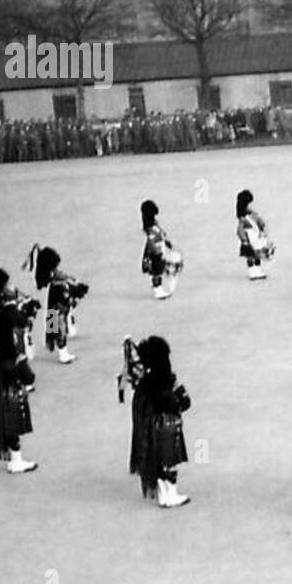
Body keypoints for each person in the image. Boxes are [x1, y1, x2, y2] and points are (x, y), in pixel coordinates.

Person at [0, 278, 39, 474]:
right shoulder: (9, 314)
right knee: (12, 410)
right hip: (10, 360)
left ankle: (59, 345)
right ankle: (60, 348)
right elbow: (23, 323)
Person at [129, 336, 192, 507]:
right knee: (168, 461)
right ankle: (59, 345)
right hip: (166, 424)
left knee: (57, 314)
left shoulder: (147, 383)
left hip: (155, 424)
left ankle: (60, 344)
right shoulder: (162, 382)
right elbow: (183, 403)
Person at [33, 246, 88, 364]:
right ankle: (63, 353)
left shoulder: (53, 275)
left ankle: (61, 350)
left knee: (56, 327)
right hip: (58, 308)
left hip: (56, 306)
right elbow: (65, 295)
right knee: (59, 329)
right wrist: (74, 297)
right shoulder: (56, 281)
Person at [141, 200, 182, 299]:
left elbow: (159, 235)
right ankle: (157, 289)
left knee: (159, 269)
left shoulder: (153, 224)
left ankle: (158, 288)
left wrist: (166, 242)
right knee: (157, 270)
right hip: (156, 250)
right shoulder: (150, 228)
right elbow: (151, 241)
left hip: (159, 247)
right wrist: (156, 251)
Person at [235, 189, 274, 281]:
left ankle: (258, 270)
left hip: (256, 236)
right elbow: (239, 230)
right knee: (250, 255)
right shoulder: (243, 219)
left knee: (257, 254)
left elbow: (259, 221)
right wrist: (244, 240)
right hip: (250, 237)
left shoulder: (252, 214)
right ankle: (252, 271)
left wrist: (262, 228)